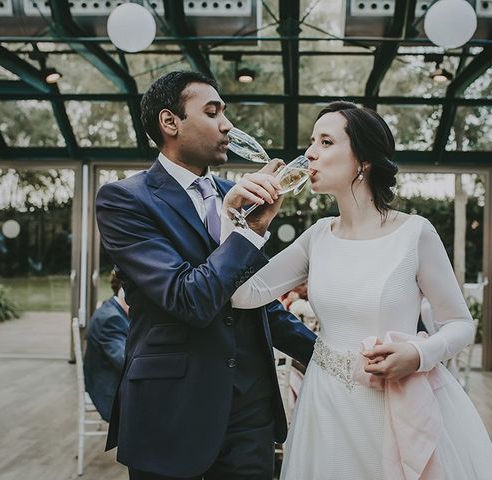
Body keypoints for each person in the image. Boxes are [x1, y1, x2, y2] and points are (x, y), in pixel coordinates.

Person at [229, 102, 492, 479]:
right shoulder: (318, 237)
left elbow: (459, 323)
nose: (309, 153)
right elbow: (243, 295)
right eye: (312, 142)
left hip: (391, 406)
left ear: (363, 160)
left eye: (326, 141)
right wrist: (249, 225)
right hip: (324, 406)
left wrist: (419, 353)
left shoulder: (415, 233)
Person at [95, 70, 316, 480]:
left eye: (225, 113)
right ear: (170, 122)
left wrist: (328, 358)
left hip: (251, 415)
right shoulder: (125, 200)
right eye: (212, 112)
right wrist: (247, 231)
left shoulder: (241, 193)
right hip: (171, 411)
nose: (227, 125)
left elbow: (257, 300)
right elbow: (187, 299)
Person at [83, 270, 129, 422]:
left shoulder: (113, 309)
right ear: (123, 290)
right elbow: (126, 364)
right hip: (110, 395)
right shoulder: (112, 319)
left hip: (113, 384)